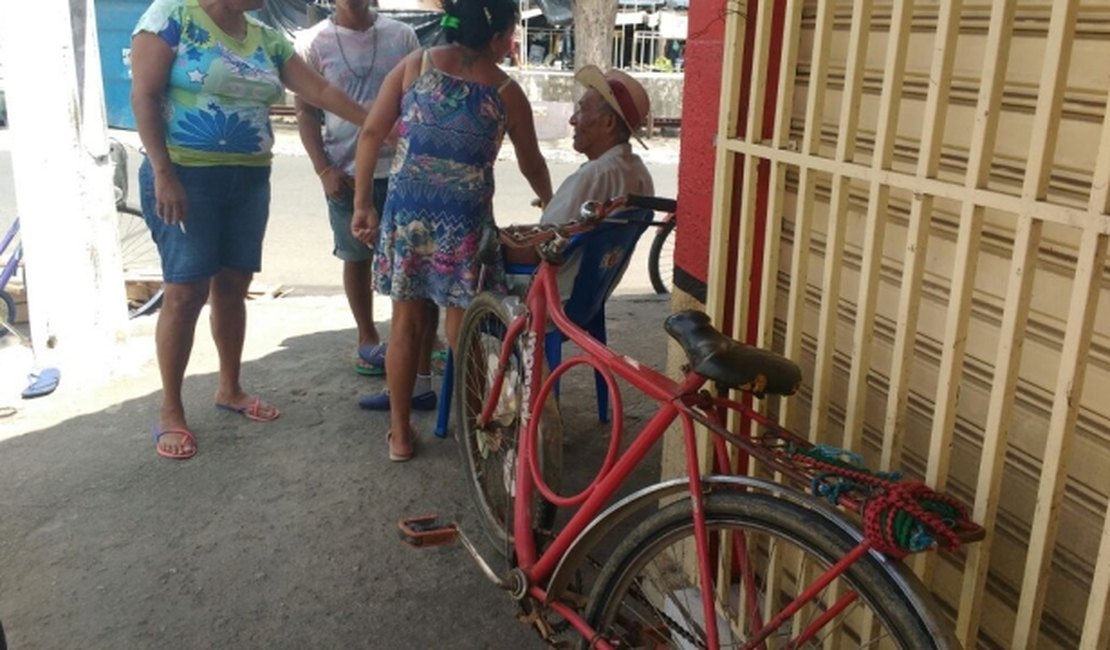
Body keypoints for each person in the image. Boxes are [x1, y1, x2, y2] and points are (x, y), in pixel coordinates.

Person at [131, 0, 369, 461]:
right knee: (185, 292)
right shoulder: (171, 16)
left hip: (248, 180)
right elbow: (143, 94)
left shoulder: (265, 37)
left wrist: (377, 122)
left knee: (233, 287)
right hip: (185, 176)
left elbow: (318, 89)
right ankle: (172, 409)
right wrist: (163, 172)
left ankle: (230, 388)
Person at [351, 0, 553, 462]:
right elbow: (531, 161)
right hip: (464, 220)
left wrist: (363, 203)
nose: (512, 44)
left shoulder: (414, 66)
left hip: (410, 214)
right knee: (462, 327)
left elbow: (370, 134)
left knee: (405, 324)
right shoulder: (505, 91)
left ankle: (400, 437)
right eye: (511, 35)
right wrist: (547, 200)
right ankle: (475, 427)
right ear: (498, 37)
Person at [294, 0, 420, 377]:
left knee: (414, 259)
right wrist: (323, 169)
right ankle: (367, 338)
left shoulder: (402, 35)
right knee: (355, 256)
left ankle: (423, 342)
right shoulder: (312, 43)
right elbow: (305, 112)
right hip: (346, 172)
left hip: (402, 170)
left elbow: (419, 101)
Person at [503, 64, 655, 298]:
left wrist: (494, 242)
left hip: (553, 298)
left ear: (608, 123)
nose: (573, 120)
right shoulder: (639, 172)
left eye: (582, 110)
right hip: (589, 298)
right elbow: (558, 231)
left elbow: (539, 250)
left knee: (470, 266)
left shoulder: (594, 175)